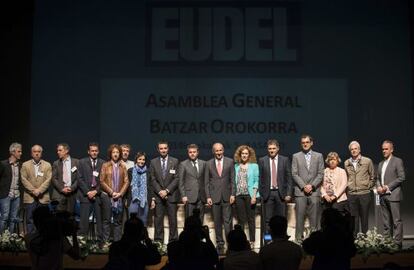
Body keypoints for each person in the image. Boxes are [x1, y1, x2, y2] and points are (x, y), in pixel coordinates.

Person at [291, 134, 324, 242]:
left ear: (311, 143)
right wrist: (304, 186)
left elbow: (320, 174)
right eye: (303, 143)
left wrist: (312, 186)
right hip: (300, 192)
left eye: (307, 142)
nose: (305, 144)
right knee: (299, 219)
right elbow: (294, 173)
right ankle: (299, 241)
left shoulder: (319, 156)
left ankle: (315, 241)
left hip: (314, 192)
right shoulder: (296, 156)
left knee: (314, 219)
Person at [205, 142, 235, 253]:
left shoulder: (230, 161)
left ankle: (230, 244)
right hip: (214, 197)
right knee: (217, 222)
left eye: (220, 150)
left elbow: (233, 180)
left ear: (223, 150)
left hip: (227, 196)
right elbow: (206, 182)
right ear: (214, 152)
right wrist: (208, 196)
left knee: (228, 222)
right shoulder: (208, 164)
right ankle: (220, 244)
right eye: (216, 151)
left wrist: (233, 194)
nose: (219, 152)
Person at [259, 139, 292, 235]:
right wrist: (262, 194)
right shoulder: (262, 160)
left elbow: (289, 178)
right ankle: (268, 240)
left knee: (282, 219)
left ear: (278, 149)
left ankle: (282, 240)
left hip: (281, 194)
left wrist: (288, 194)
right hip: (267, 194)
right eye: (269, 148)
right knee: (267, 220)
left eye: (273, 148)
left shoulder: (285, 160)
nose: (271, 150)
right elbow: (260, 178)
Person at [376, 140, 405, 249]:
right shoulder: (380, 164)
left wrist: (388, 186)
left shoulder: (397, 161)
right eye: (383, 149)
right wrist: (378, 186)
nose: (384, 151)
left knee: (396, 221)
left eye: (386, 149)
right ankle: (387, 241)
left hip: (393, 195)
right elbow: (378, 178)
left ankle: (397, 243)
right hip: (383, 196)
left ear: (391, 149)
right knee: (386, 221)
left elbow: (401, 177)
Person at [150, 140, 180, 243]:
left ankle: (173, 242)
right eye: (161, 148)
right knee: (158, 220)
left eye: (165, 148)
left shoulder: (175, 161)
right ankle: (158, 242)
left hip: (171, 195)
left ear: (168, 149)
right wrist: (160, 192)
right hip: (158, 196)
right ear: (158, 150)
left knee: (173, 220)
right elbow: (152, 179)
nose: (163, 150)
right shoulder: (153, 162)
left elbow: (177, 178)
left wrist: (167, 191)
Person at [344, 141, 375, 236]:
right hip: (352, 194)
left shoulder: (367, 161)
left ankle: (365, 240)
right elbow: (346, 177)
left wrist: (367, 186)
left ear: (359, 149)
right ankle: (356, 241)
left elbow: (373, 177)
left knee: (364, 218)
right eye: (352, 149)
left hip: (364, 194)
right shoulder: (347, 163)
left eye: (355, 148)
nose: (354, 151)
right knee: (354, 219)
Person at [100, 144, 129, 242]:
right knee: (107, 220)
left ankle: (117, 243)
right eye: (114, 152)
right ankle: (106, 243)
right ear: (110, 154)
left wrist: (120, 193)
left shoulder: (123, 166)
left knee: (118, 222)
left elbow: (126, 181)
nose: (115, 154)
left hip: (119, 197)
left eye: (117, 152)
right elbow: (101, 181)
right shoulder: (105, 165)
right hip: (107, 197)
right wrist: (112, 192)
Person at [20, 145, 52, 234]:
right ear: (31, 153)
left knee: (43, 219)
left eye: (39, 152)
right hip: (30, 197)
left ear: (41, 153)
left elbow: (48, 179)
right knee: (30, 219)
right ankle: (31, 240)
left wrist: (39, 190)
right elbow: (23, 179)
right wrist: (33, 190)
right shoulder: (25, 165)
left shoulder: (47, 165)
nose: (37, 153)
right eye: (35, 151)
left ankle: (42, 239)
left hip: (43, 197)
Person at [77, 142, 105, 242]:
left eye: (96, 151)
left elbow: (103, 181)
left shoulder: (103, 163)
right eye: (92, 151)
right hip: (85, 196)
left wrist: (95, 192)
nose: (94, 152)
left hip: (98, 196)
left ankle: (100, 243)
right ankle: (82, 243)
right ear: (88, 152)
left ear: (98, 151)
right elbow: (79, 179)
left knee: (99, 221)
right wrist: (88, 192)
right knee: (84, 222)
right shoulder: (81, 162)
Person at [233, 145, 259, 246]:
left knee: (251, 219)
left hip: (250, 195)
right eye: (242, 153)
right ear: (240, 155)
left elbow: (256, 181)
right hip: (239, 195)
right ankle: (242, 241)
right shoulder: (236, 166)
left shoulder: (254, 166)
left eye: (246, 154)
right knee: (241, 220)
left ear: (249, 155)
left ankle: (252, 241)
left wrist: (254, 196)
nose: (244, 155)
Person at [178, 144, 207, 221]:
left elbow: (206, 180)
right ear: (188, 153)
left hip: (201, 196)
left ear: (198, 152)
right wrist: (183, 195)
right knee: (189, 220)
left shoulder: (204, 163)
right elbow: (181, 182)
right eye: (190, 152)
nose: (192, 154)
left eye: (194, 152)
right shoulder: (183, 164)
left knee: (200, 220)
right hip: (189, 197)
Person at [127, 152, 155, 227]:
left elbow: (151, 186)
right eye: (139, 159)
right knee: (132, 222)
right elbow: (127, 186)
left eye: (143, 159)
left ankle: (142, 238)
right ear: (136, 160)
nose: (141, 161)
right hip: (133, 199)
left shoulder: (148, 171)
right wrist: (126, 199)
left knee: (143, 222)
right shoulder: (130, 171)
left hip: (144, 199)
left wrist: (152, 199)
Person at [0, 142, 22, 233]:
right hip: (6, 194)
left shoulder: (21, 165)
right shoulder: (3, 164)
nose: (21, 153)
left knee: (13, 218)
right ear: (13, 152)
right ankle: (1, 239)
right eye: (19, 151)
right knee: (4, 217)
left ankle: (10, 239)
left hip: (16, 195)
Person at [51, 143, 79, 213]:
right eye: (57, 151)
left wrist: (71, 188)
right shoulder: (56, 163)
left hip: (72, 193)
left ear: (66, 151)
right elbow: (54, 179)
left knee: (71, 216)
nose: (58, 152)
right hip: (60, 193)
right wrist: (62, 189)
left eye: (60, 150)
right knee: (59, 216)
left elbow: (79, 178)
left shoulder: (76, 162)